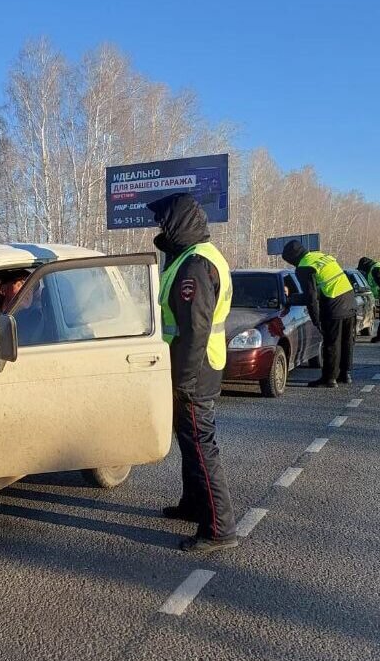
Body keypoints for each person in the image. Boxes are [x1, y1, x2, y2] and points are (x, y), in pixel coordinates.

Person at [147, 193, 238, 554]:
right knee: (191, 442)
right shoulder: (193, 256)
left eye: (164, 222)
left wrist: (182, 382)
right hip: (195, 365)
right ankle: (192, 504)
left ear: (179, 222)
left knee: (202, 447)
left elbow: (195, 329)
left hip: (194, 370)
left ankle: (220, 529)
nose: (160, 228)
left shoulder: (195, 265)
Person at [282, 240, 356, 387]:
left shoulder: (304, 266)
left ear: (292, 257)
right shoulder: (319, 256)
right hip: (350, 299)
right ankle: (345, 374)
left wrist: (317, 320)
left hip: (335, 303)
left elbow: (311, 297)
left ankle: (329, 379)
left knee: (331, 342)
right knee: (346, 340)